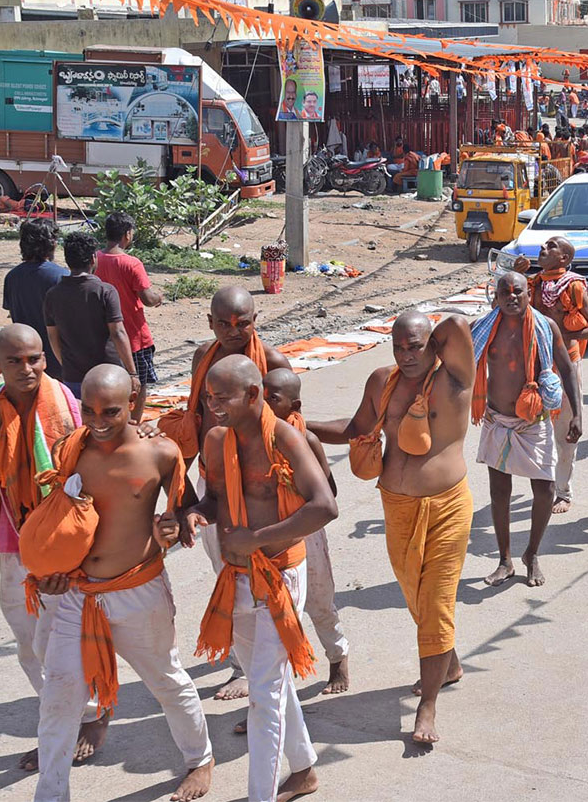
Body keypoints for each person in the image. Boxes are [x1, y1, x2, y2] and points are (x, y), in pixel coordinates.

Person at [29, 365, 213, 802]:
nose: (98, 421)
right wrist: (49, 573)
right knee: (58, 697)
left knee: (166, 680)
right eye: (89, 410)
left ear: (133, 402)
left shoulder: (162, 453)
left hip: (138, 592)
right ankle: (50, 794)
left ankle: (200, 759)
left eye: (110, 411)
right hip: (78, 594)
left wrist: (176, 526)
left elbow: (186, 512)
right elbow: (56, 515)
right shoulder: (69, 448)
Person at [308, 312, 475, 743]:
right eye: (399, 346)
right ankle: (449, 663)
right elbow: (356, 429)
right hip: (397, 506)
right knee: (416, 596)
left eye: (415, 345)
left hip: (446, 507)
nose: (406, 355)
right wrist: (297, 424)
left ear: (433, 345)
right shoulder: (382, 381)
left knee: (436, 602)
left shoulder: (454, 378)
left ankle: (427, 707)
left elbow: (457, 324)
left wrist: (432, 338)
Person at [186, 356, 338, 799]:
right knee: (266, 678)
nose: (213, 406)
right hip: (238, 574)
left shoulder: (284, 437)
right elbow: (213, 497)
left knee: (264, 693)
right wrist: (193, 515)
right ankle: (305, 769)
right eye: (209, 397)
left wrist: (257, 538)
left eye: (223, 397)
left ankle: (260, 795)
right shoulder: (217, 440)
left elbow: (325, 505)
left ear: (253, 395)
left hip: (281, 574)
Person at [0, 325, 104, 773]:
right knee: (28, 644)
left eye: (35, 359)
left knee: (59, 644)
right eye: (15, 361)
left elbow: (92, 476)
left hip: (63, 544)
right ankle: (69, 718)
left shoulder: (67, 405)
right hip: (14, 542)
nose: (28, 369)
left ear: (46, 359)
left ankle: (87, 721)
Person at [157, 285, 291, 701]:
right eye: (224, 324)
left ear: (256, 320)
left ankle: (323, 654)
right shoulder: (204, 358)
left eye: (242, 323)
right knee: (230, 577)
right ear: (210, 323)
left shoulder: (271, 364)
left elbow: (291, 431)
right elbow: (199, 420)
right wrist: (188, 500)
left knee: (287, 584)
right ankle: (245, 667)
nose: (233, 331)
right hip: (214, 483)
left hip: (265, 491)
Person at [469, 273, 580, 586]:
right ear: (497, 296)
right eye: (505, 292)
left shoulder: (546, 327)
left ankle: (531, 553)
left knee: (544, 490)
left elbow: (568, 369)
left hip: (535, 421)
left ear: (527, 294)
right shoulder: (484, 328)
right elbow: (457, 363)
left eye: (517, 291)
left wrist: (577, 415)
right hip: (496, 419)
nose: (512, 297)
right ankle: (505, 559)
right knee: (499, 491)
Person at [261, 369, 351, 695]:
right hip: (269, 534)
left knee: (319, 599)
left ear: (293, 405)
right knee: (270, 613)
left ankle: (337, 657)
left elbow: (329, 492)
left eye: (273, 399)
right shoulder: (250, 437)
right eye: (260, 395)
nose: (264, 404)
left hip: (306, 531)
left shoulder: (306, 439)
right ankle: (272, 690)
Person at [514, 238, 588, 514]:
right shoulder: (532, 284)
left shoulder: (574, 286)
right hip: (534, 366)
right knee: (533, 430)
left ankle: (563, 491)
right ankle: (546, 486)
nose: (542, 249)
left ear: (564, 258)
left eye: (551, 246)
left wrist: (565, 336)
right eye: (543, 246)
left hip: (565, 366)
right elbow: (502, 308)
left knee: (565, 433)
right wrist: (516, 275)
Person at [43, 232, 138, 401]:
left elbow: (53, 337)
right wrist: (132, 372)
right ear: (94, 259)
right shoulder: (105, 291)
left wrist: (66, 365)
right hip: (108, 374)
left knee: (80, 423)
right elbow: (118, 333)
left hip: (74, 376)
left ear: (67, 260)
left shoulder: (52, 294)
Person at [95, 212, 164, 424]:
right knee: (140, 384)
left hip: (104, 337)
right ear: (127, 234)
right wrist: (158, 297)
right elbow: (147, 297)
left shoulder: (95, 259)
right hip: (134, 336)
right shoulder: (132, 263)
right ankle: (134, 425)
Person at [3, 220, 68, 379]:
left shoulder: (12, 277)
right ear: (51, 244)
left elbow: (13, 313)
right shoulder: (61, 276)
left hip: (26, 361)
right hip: (58, 360)